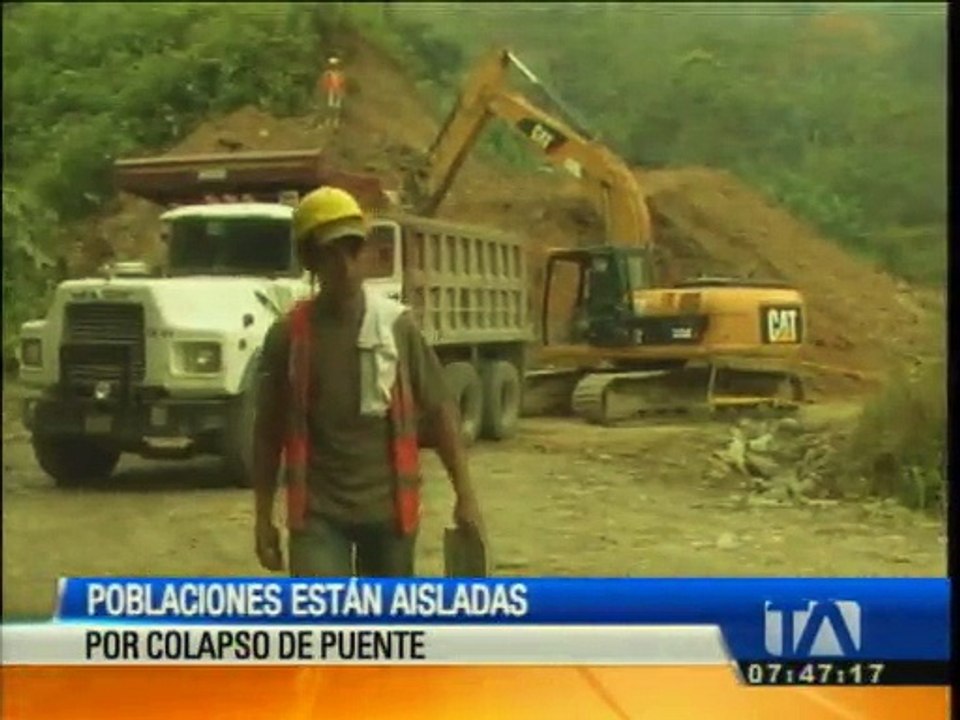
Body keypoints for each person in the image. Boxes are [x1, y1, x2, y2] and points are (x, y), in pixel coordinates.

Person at [253, 186, 485, 577]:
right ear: (309, 259)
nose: (344, 265)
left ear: (366, 254)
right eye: (330, 252)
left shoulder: (397, 328)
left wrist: (466, 495)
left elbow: (441, 410)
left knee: (385, 630)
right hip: (318, 517)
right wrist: (262, 519)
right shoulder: (289, 336)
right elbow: (267, 430)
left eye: (352, 250)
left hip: (390, 516)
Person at [318, 56, 346, 128]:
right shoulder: (328, 73)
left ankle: (335, 121)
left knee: (337, 107)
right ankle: (329, 120)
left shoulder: (340, 74)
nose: (334, 67)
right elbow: (324, 82)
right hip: (331, 90)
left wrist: (342, 90)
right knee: (330, 106)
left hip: (337, 91)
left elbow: (342, 83)